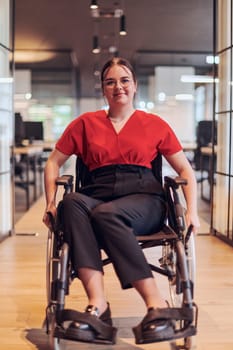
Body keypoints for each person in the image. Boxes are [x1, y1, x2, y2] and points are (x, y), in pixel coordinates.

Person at [43, 57, 200, 344]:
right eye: (111, 82)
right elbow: (53, 161)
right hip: (97, 192)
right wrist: (51, 202)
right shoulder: (85, 124)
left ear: (135, 86)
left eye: (124, 80)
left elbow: (185, 169)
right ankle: (98, 304)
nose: (118, 87)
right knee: (72, 205)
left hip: (144, 198)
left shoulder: (154, 124)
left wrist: (192, 212)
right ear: (103, 89)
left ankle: (155, 305)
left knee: (105, 214)